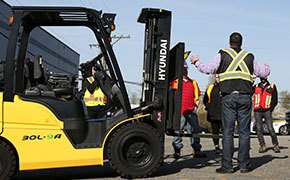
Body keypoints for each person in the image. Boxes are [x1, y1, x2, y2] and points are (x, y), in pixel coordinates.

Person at [190, 32, 270, 173]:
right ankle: (244, 166)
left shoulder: (222, 54)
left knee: (228, 132)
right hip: (245, 97)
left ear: (229, 42)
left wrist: (196, 62)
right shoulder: (249, 57)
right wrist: (267, 68)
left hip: (228, 98)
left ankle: (227, 166)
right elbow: (263, 72)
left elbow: (208, 69)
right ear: (241, 43)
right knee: (244, 132)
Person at [171, 59, 206, 159]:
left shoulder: (193, 83)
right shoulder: (175, 82)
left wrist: (197, 104)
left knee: (195, 130)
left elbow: (197, 96)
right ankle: (177, 150)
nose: (185, 71)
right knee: (178, 131)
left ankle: (197, 150)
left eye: (186, 69)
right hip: (180, 111)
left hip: (191, 111)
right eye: (183, 69)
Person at [253, 76, 280, 153]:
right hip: (257, 111)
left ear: (267, 76)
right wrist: (252, 80)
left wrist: (270, 109)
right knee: (259, 129)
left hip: (267, 111)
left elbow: (275, 99)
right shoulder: (256, 86)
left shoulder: (272, 86)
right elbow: (248, 91)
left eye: (264, 76)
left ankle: (275, 145)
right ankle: (262, 145)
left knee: (270, 128)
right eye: (261, 76)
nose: (263, 78)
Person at [203, 75, 222, 154]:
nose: (218, 79)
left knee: (226, 132)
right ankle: (216, 146)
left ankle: (227, 147)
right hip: (213, 114)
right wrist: (208, 107)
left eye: (220, 77)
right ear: (215, 78)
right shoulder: (210, 87)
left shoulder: (225, 87)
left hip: (224, 114)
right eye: (217, 77)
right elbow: (205, 100)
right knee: (215, 132)